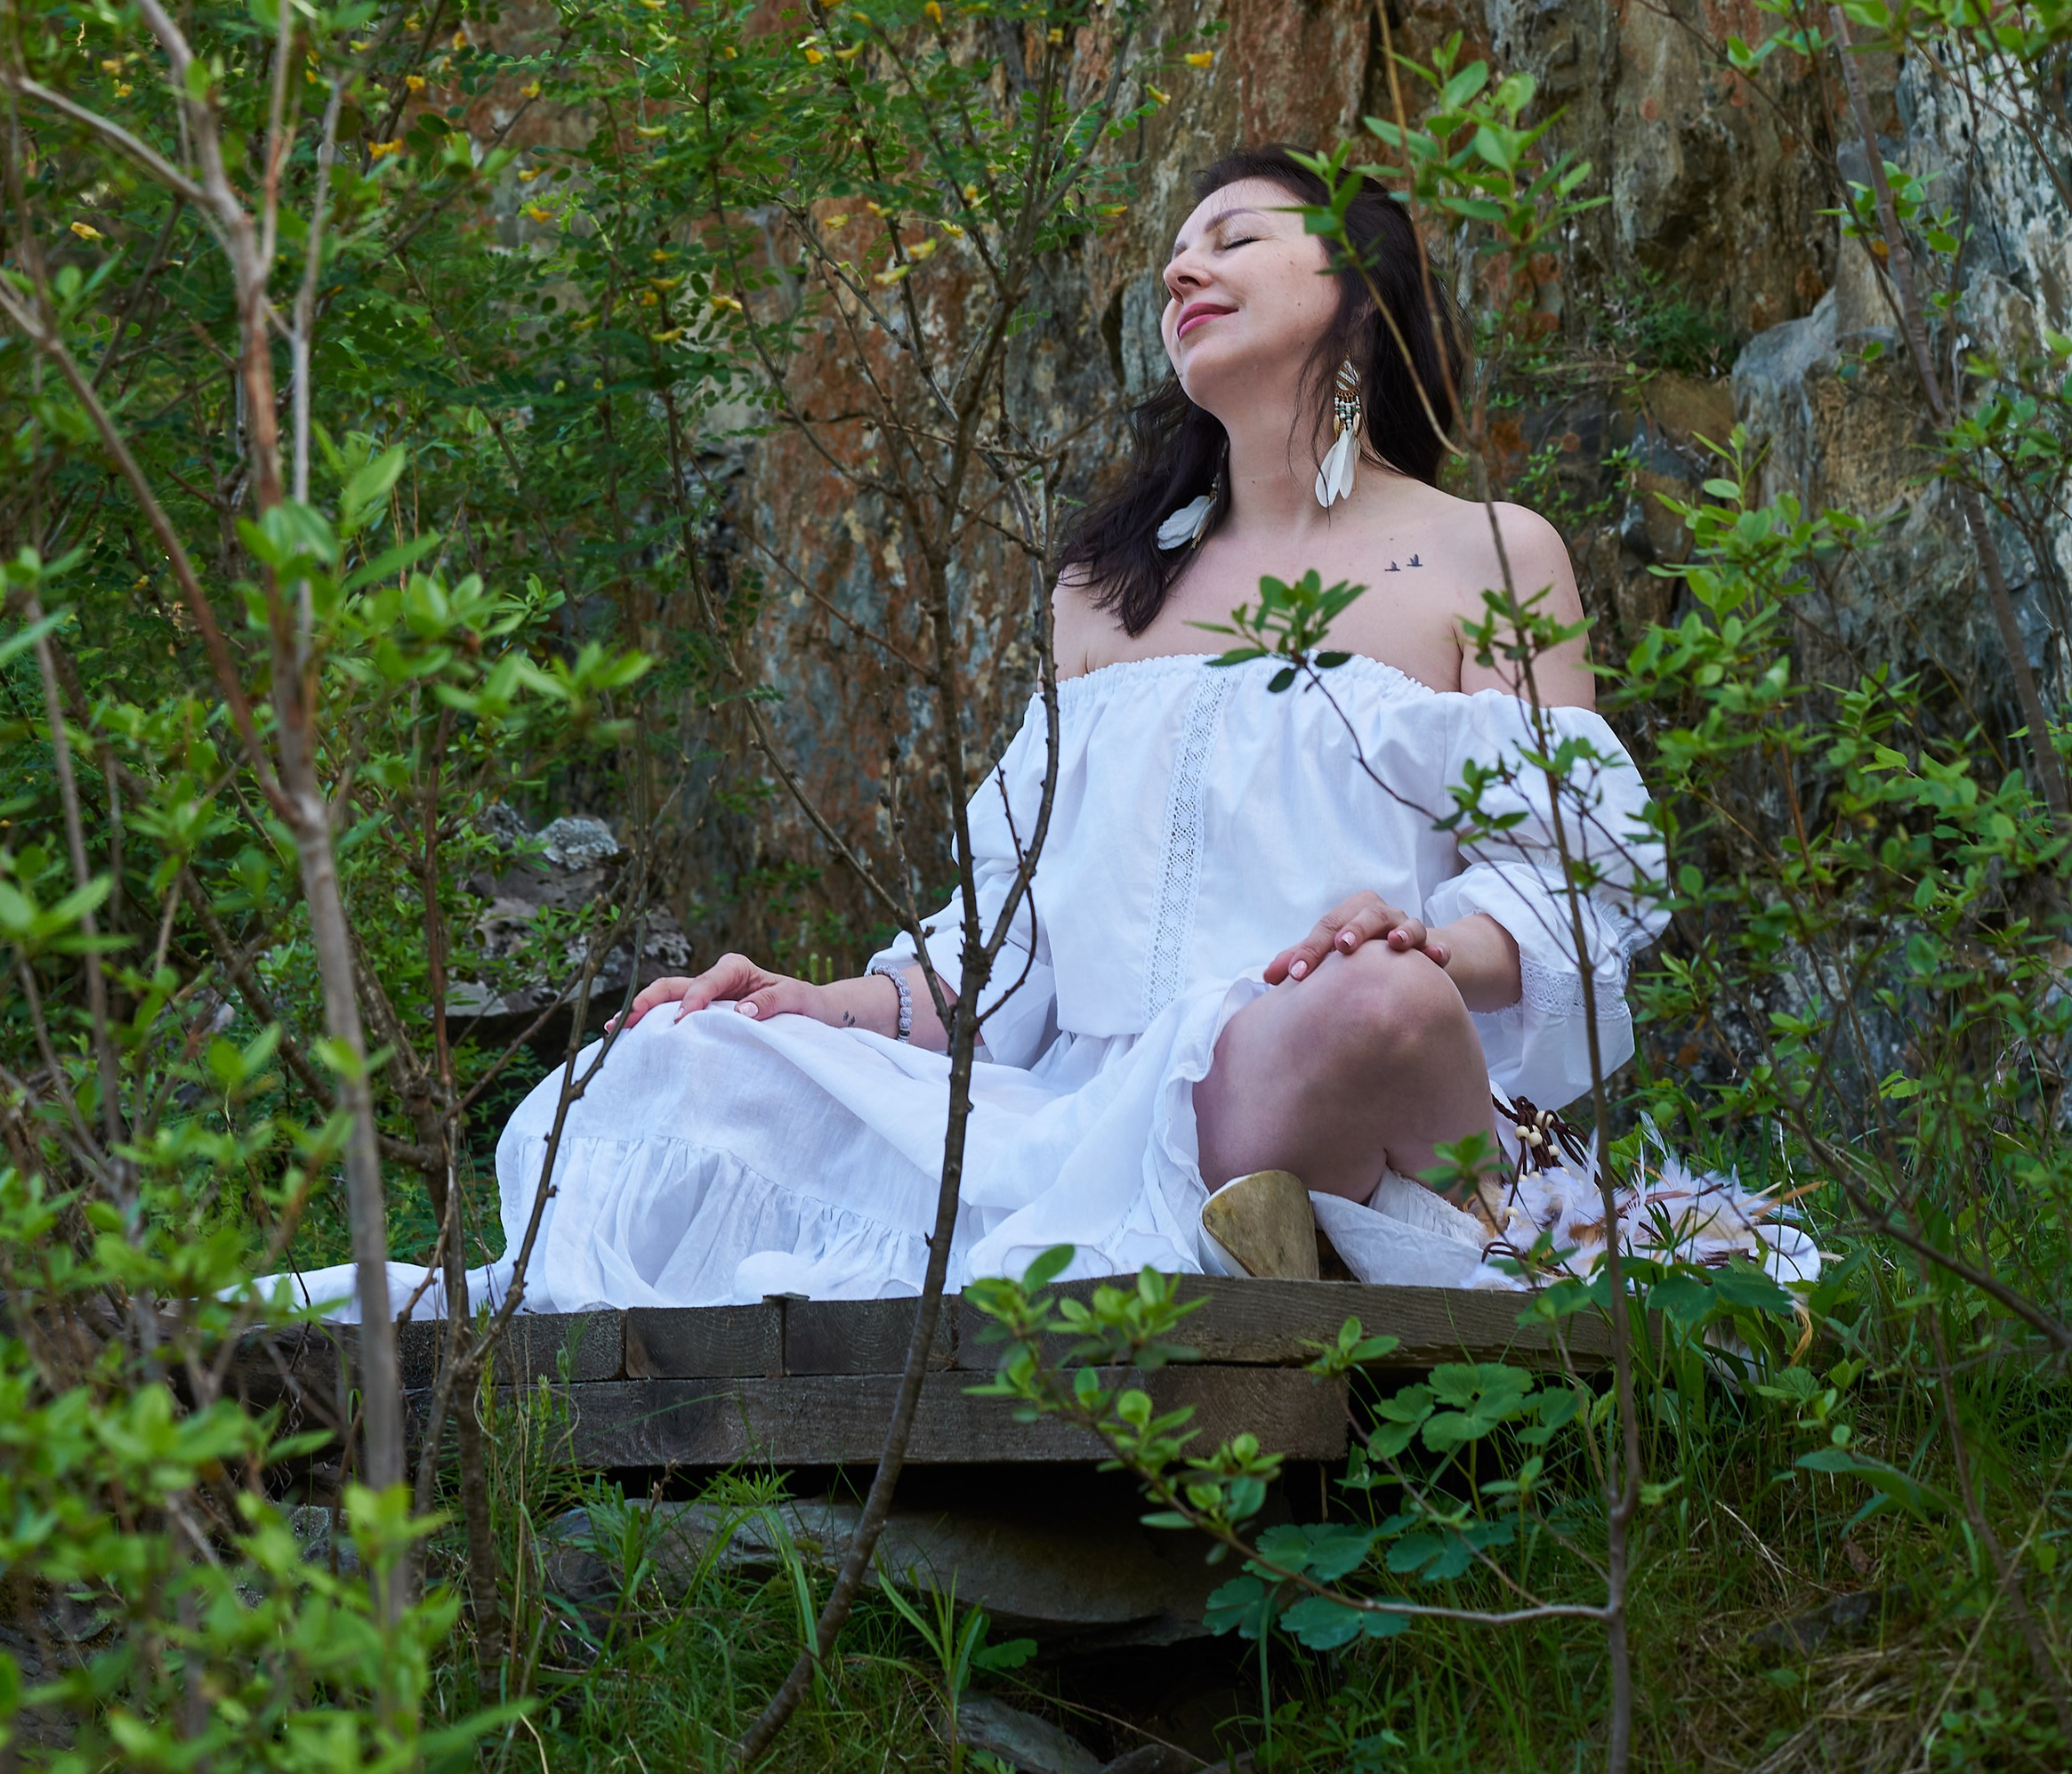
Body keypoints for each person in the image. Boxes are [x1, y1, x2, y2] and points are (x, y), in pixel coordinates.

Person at [301, 149, 1662, 1318]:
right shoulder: (1105, 595)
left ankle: (1282, 1207)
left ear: (1360, 295)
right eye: (1174, 256)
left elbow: (1572, 883)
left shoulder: (1486, 551)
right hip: (1095, 1116)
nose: (1184, 269)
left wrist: (1431, 939)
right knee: (678, 1055)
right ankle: (1241, 1228)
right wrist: (815, 1003)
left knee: (1374, 1003)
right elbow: (1007, 953)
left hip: (1342, 1052)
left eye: (1234, 238)